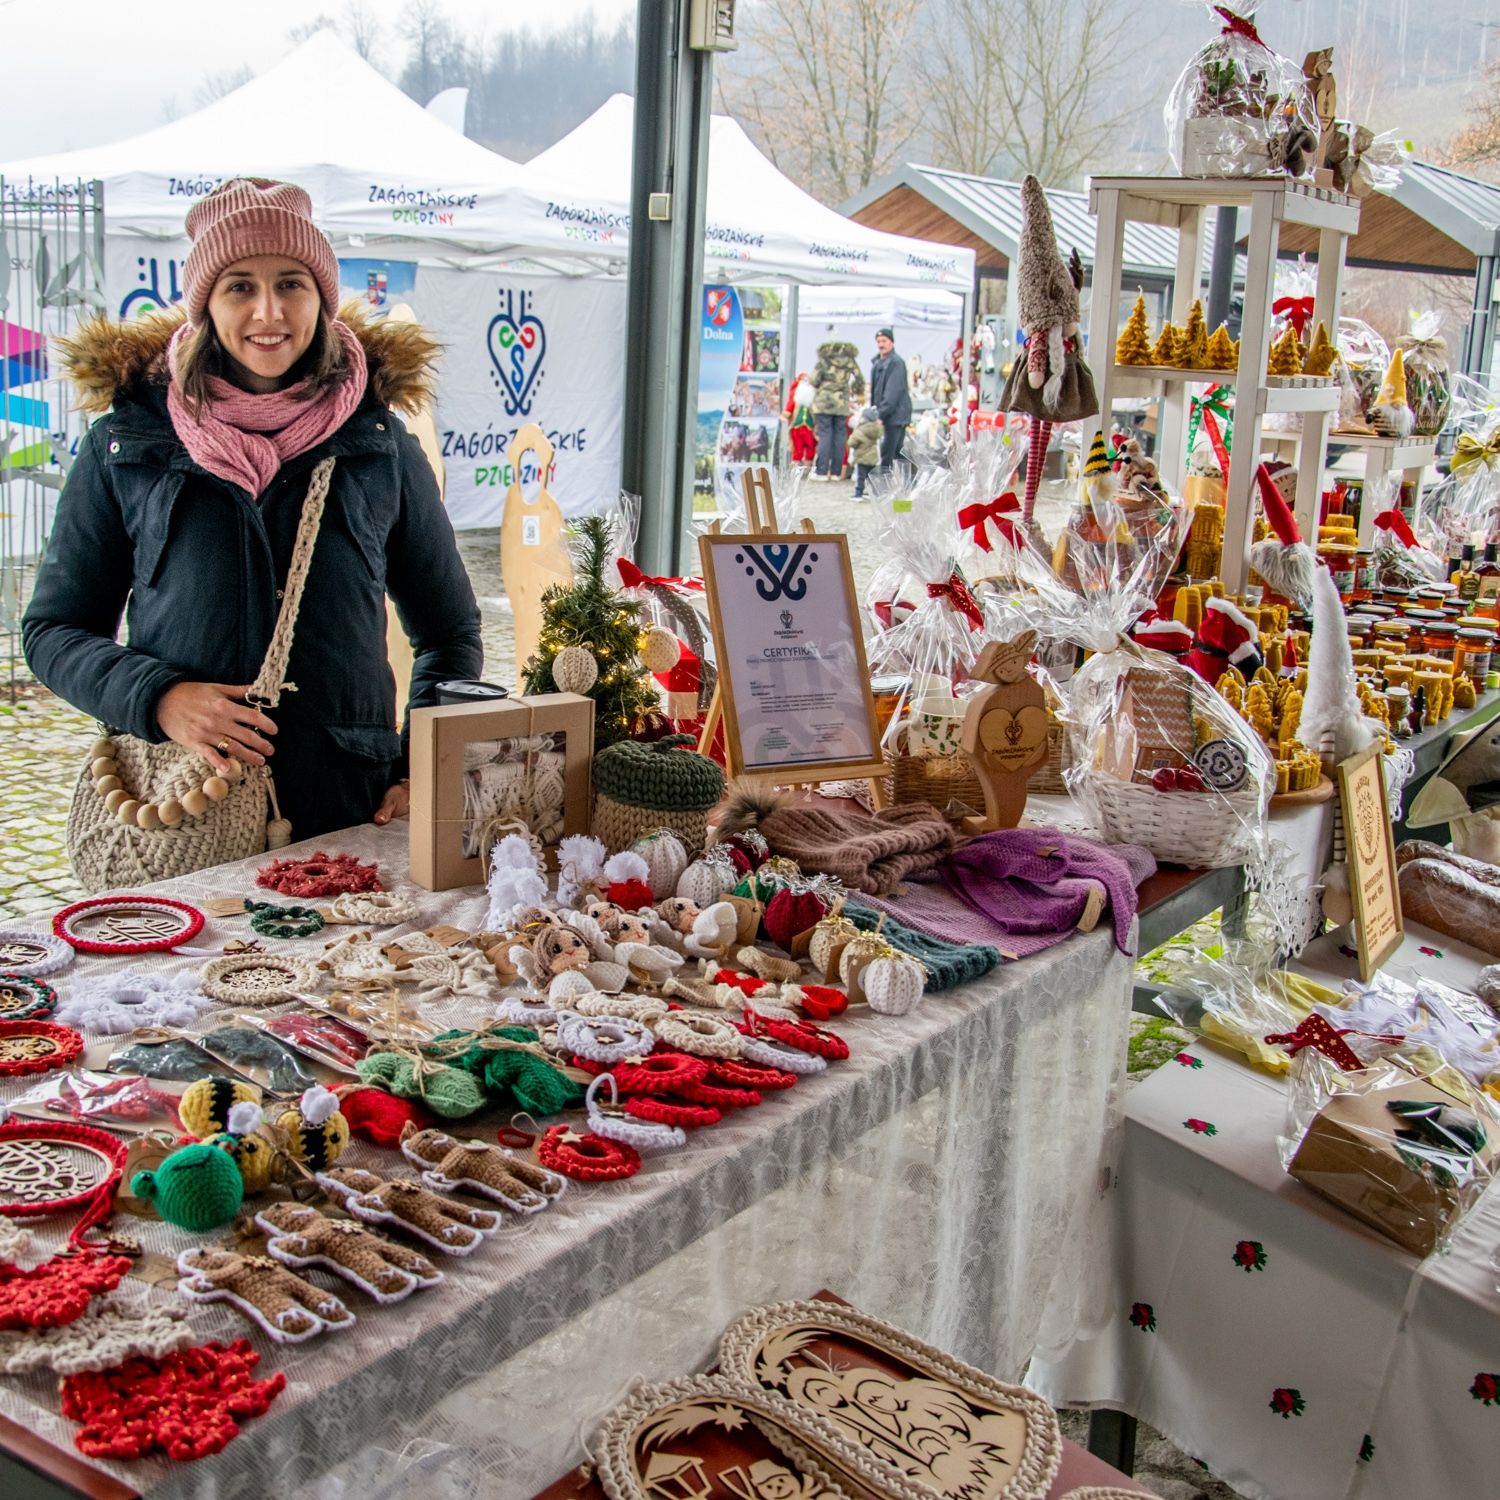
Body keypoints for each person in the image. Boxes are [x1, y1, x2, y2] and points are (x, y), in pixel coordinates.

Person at [23, 177, 482, 845]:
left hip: (346, 812)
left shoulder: (379, 446)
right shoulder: (129, 444)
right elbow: (53, 631)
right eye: (240, 285)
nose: (268, 311)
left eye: (291, 283)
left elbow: (450, 633)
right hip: (185, 810)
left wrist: (419, 768)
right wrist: (159, 699)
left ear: (320, 299)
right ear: (205, 304)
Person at [809, 339, 863, 481]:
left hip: (824, 401)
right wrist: (855, 391)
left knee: (825, 434)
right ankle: (836, 472)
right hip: (842, 402)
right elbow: (859, 379)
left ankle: (821, 472)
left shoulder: (824, 359)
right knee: (840, 436)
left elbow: (814, 380)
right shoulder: (850, 360)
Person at [869, 326, 912, 474]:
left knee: (890, 452)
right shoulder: (877, 363)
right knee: (893, 452)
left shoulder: (896, 363)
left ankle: (887, 485)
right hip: (887, 414)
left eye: (884, 341)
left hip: (895, 416)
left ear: (892, 343)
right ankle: (897, 484)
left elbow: (893, 392)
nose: (881, 344)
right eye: (879, 341)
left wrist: (881, 414)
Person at [847, 405, 883, 501]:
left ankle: (858, 494)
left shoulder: (860, 431)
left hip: (862, 458)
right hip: (873, 458)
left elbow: (851, 443)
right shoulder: (877, 429)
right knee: (872, 478)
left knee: (860, 478)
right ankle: (874, 493)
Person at [784, 371, 816, 467]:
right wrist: (786, 415)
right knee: (797, 447)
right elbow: (790, 406)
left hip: (810, 426)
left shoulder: (813, 398)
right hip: (797, 426)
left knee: (811, 447)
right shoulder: (796, 397)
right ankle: (795, 469)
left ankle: (807, 468)